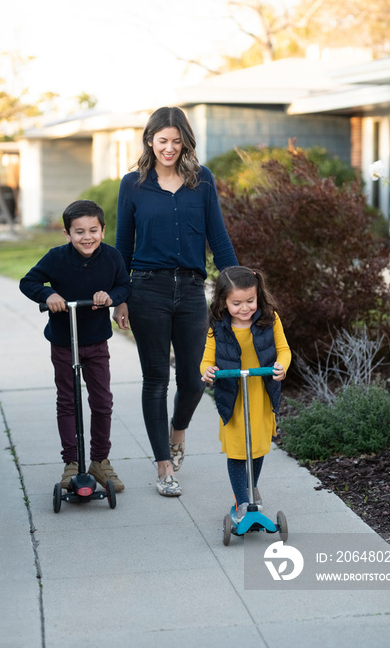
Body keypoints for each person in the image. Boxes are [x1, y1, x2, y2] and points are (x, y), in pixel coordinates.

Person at [113, 106, 238, 497]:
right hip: (146, 289)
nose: (169, 148)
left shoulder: (201, 182)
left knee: (193, 378)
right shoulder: (132, 185)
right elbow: (122, 246)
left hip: (189, 290)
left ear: (185, 141)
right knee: (156, 379)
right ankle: (164, 465)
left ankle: (178, 431)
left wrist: (239, 287)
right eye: (162, 140)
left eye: (176, 140)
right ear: (150, 141)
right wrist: (120, 297)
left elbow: (217, 237)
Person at [19, 199, 130, 492]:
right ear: (67, 234)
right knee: (68, 401)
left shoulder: (112, 257)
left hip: (96, 341)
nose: (87, 237)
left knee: (102, 402)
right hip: (64, 342)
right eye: (79, 232)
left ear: (103, 231)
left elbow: (124, 286)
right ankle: (71, 462)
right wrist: (48, 295)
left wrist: (111, 296)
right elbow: (28, 282)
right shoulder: (56, 258)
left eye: (93, 230)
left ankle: (100, 461)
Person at [200, 266, 291, 521]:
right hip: (233, 396)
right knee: (238, 450)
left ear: (258, 295)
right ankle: (241, 501)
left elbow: (284, 349)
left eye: (250, 301)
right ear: (223, 301)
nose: (244, 308)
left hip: (260, 393)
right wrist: (208, 371)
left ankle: (251, 488)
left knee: (258, 446)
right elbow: (206, 359)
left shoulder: (269, 319)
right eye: (236, 303)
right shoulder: (217, 326)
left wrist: (281, 366)